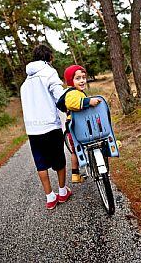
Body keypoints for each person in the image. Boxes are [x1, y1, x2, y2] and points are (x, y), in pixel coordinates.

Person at [20, 45, 72, 210]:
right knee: (58, 159)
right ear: (49, 57)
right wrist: (70, 106)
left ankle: (50, 197)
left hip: (32, 130)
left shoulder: (26, 82)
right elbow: (60, 96)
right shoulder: (49, 72)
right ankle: (62, 192)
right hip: (49, 126)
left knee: (40, 163)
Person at [58, 64, 101, 183]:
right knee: (77, 150)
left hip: (81, 127)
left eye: (83, 77)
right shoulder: (71, 93)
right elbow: (72, 103)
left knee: (76, 151)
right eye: (78, 78)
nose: (82, 80)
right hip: (76, 128)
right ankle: (75, 174)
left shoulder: (78, 92)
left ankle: (75, 174)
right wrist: (88, 101)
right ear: (70, 82)